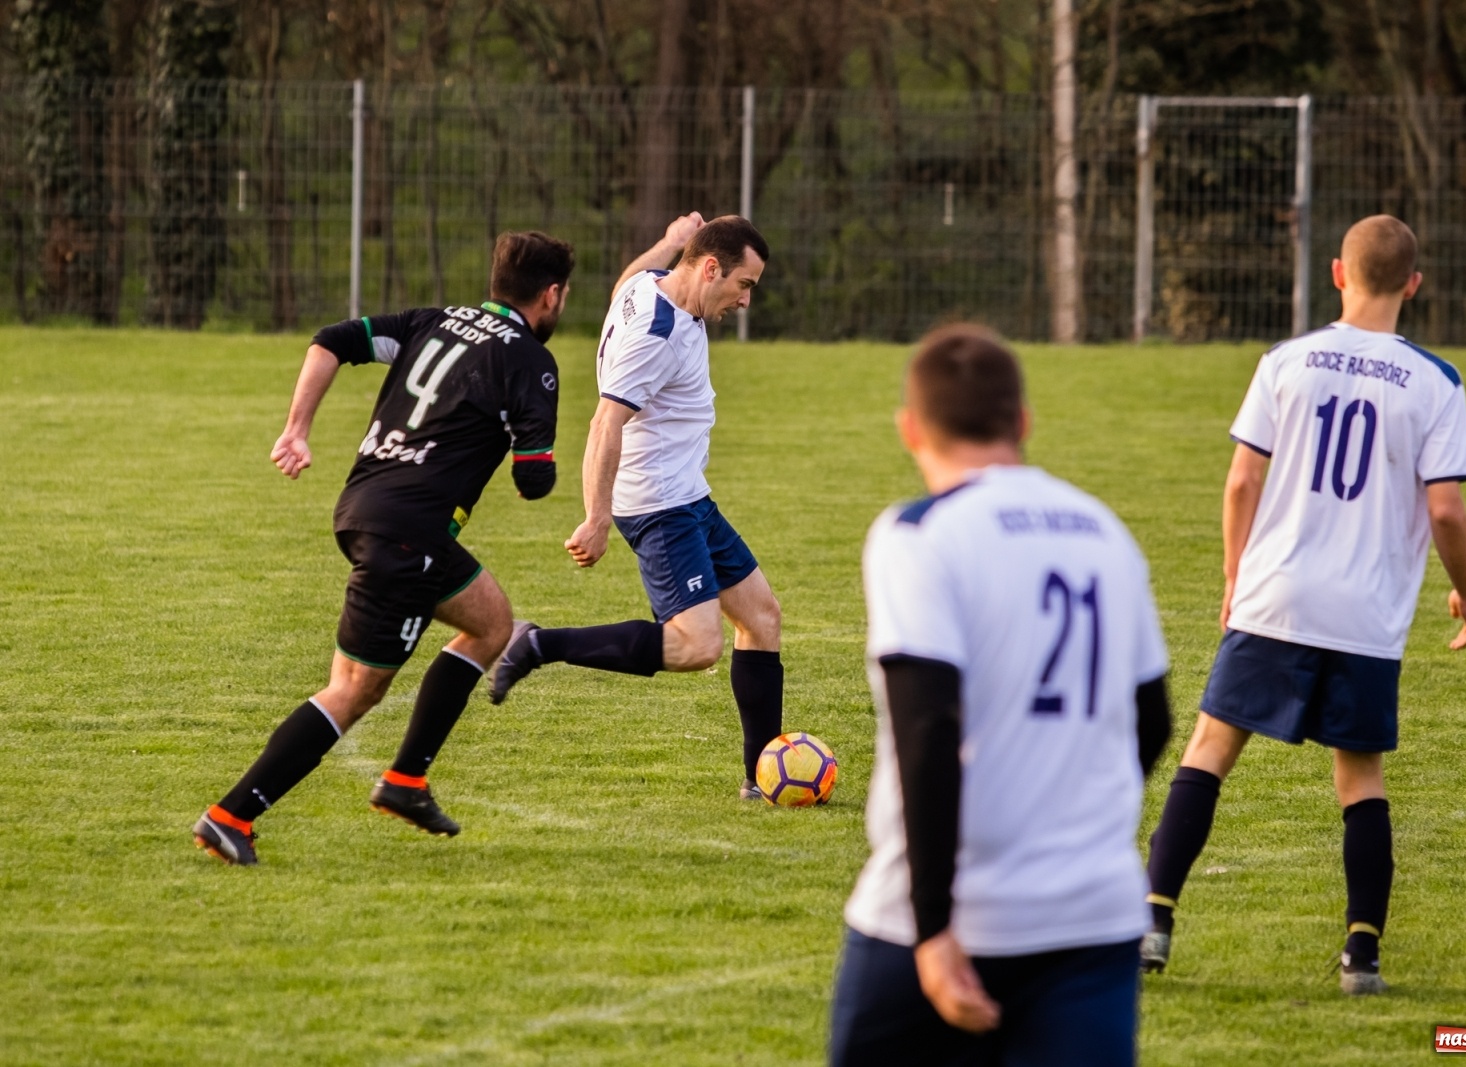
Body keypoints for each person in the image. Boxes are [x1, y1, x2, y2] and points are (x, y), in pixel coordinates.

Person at [1139, 214, 1466, 994]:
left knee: (1210, 748)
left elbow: (1241, 480)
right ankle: (1362, 956)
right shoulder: (1436, 381)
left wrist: (1234, 575)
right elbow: (1446, 510)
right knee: (1360, 777)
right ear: (1413, 285)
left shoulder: (1285, 361)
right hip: (1366, 611)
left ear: (1337, 273)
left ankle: (1154, 918)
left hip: (1276, 594)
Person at [829, 325, 1173, 1066]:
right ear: (1022, 421)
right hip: (1093, 915)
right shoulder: (1104, 531)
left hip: (945, 919)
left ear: (910, 429)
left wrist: (933, 929)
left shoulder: (918, 534)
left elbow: (928, 730)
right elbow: (1152, 719)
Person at [192, 231, 575, 866]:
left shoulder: (431, 321)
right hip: (409, 533)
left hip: (366, 506)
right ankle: (231, 815)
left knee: (491, 623)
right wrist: (526, 439)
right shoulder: (529, 361)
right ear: (552, 295)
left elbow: (331, 340)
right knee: (353, 690)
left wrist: (296, 430)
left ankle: (406, 781)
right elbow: (534, 480)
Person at [490, 213, 785, 800]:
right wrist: (596, 517)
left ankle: (762, 777)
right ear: (710, 269)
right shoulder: (656, 335)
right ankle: (537, 643)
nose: (745, 300)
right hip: (658, 503)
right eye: (744, 284)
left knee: (762, 618)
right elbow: (605, 423)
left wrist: (669, 242)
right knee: (696, 645)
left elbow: (628, 278)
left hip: (688, 493)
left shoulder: (649, 283)